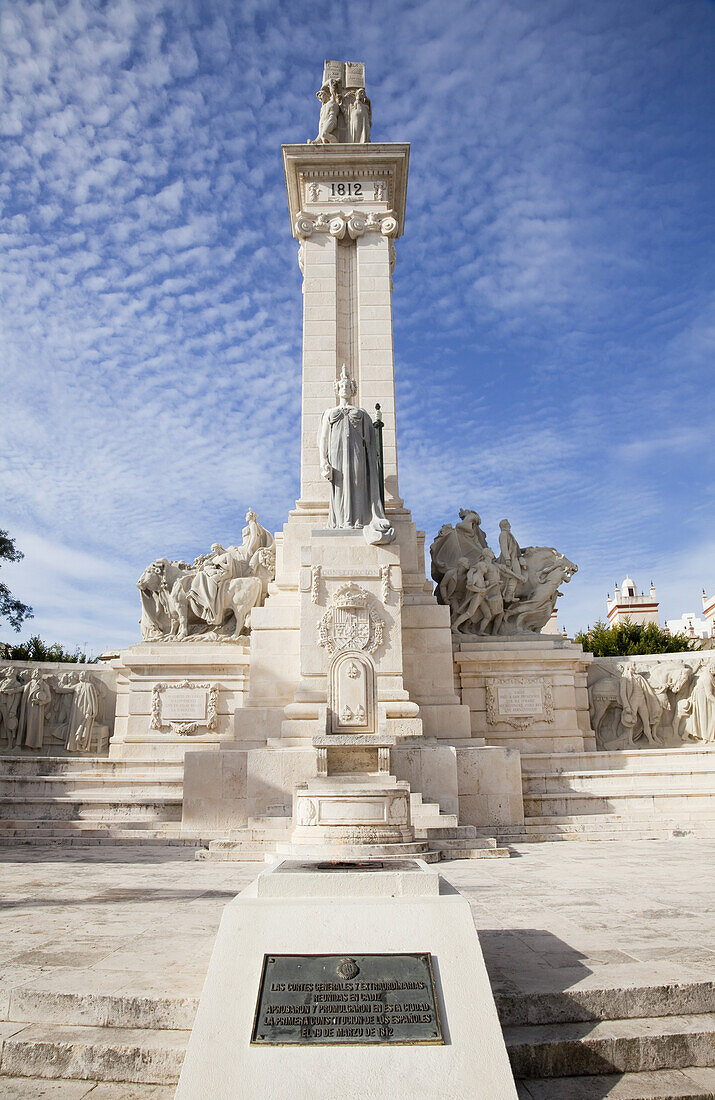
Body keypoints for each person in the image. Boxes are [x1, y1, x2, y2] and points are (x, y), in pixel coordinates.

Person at [317, 365, 394, 545]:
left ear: (353, 389)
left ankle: (359, 520)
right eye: (342, 386)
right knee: (339, 487)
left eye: (348, 386)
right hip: (336, 455)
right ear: (337, 389)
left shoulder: (362, 413)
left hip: (357, 453)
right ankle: (341, 521)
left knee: (358, 483)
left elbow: (371, 442)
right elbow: (323, 439)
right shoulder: (329, 413)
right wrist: (323, 461)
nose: (345, 388)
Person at [55, 671, 100, 752]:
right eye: (81, 674)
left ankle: (82, 746)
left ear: (87, 676)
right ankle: (72, 747)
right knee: (74, 728)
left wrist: (89, 712)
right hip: (76, 711)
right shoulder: (78, 685)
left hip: (85, 711)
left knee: (83, 729)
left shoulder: (90, 686)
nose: (81, 675)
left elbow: (92, 700)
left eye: (83, 674)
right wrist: (57, 688)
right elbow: (67, 690)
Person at [18, 669, 52, 750]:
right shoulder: (29, 684)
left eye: (38, 673)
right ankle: (24, 744)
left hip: (37, 709)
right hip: (27, 708)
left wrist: (40, 702)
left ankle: (34, 746)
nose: (36, 673)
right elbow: (20, 689)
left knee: (35, 727)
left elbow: (49, 698)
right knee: (26, 726)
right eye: (35, 672)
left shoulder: (43, 685)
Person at [497, 519, 526, 603]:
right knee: (515, 575)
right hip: (509, 558)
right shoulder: (503, 534)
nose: (510, 526)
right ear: (504, 525)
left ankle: (510, 594)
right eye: (508, 524)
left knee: (517, 576)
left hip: (514, 558)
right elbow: (504, 547)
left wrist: (526, 550)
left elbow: (517, 549)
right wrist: (507, 558)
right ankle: (508, 595)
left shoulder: (509, 535)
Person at [0, 667, 25, 748]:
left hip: (8, 706)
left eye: (9, 671)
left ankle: (10, 744)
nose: (7, 672)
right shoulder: (3, 682)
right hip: (1, 705)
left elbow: (17, 699)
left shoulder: (16, 684)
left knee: (9, 726)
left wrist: (13, 710)